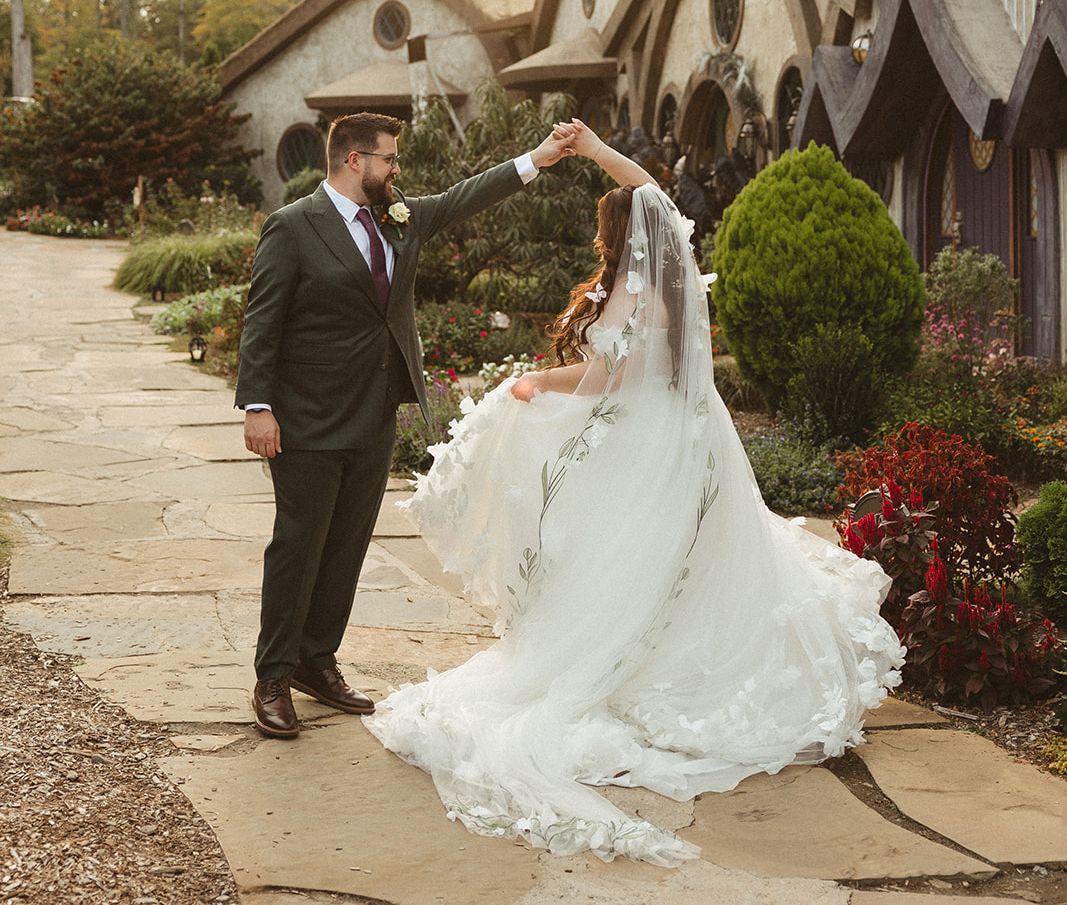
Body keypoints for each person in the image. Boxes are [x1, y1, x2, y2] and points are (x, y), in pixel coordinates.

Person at [364, 119, 904, 867]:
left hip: (643, 436)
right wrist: (588, 150)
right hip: (678, 433)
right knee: (667, 551)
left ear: (619, 234)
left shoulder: (636, 291)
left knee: (628, 555)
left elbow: (604, 379)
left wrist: (529, 381)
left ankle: (647, 663)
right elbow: (648, 193)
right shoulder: (665, 276)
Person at [235, 109, 578, 739]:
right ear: (354, 161)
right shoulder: (293, 227)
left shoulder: (399, 218)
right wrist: (257, 406)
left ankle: (317, 661)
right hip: (306, 419)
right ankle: (273, 676)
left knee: (345, 548)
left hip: (374, 413)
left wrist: (538, 158)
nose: (398, 170)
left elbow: (462, 198)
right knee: (298, 547)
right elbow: (263, 321)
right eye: (389, 159)